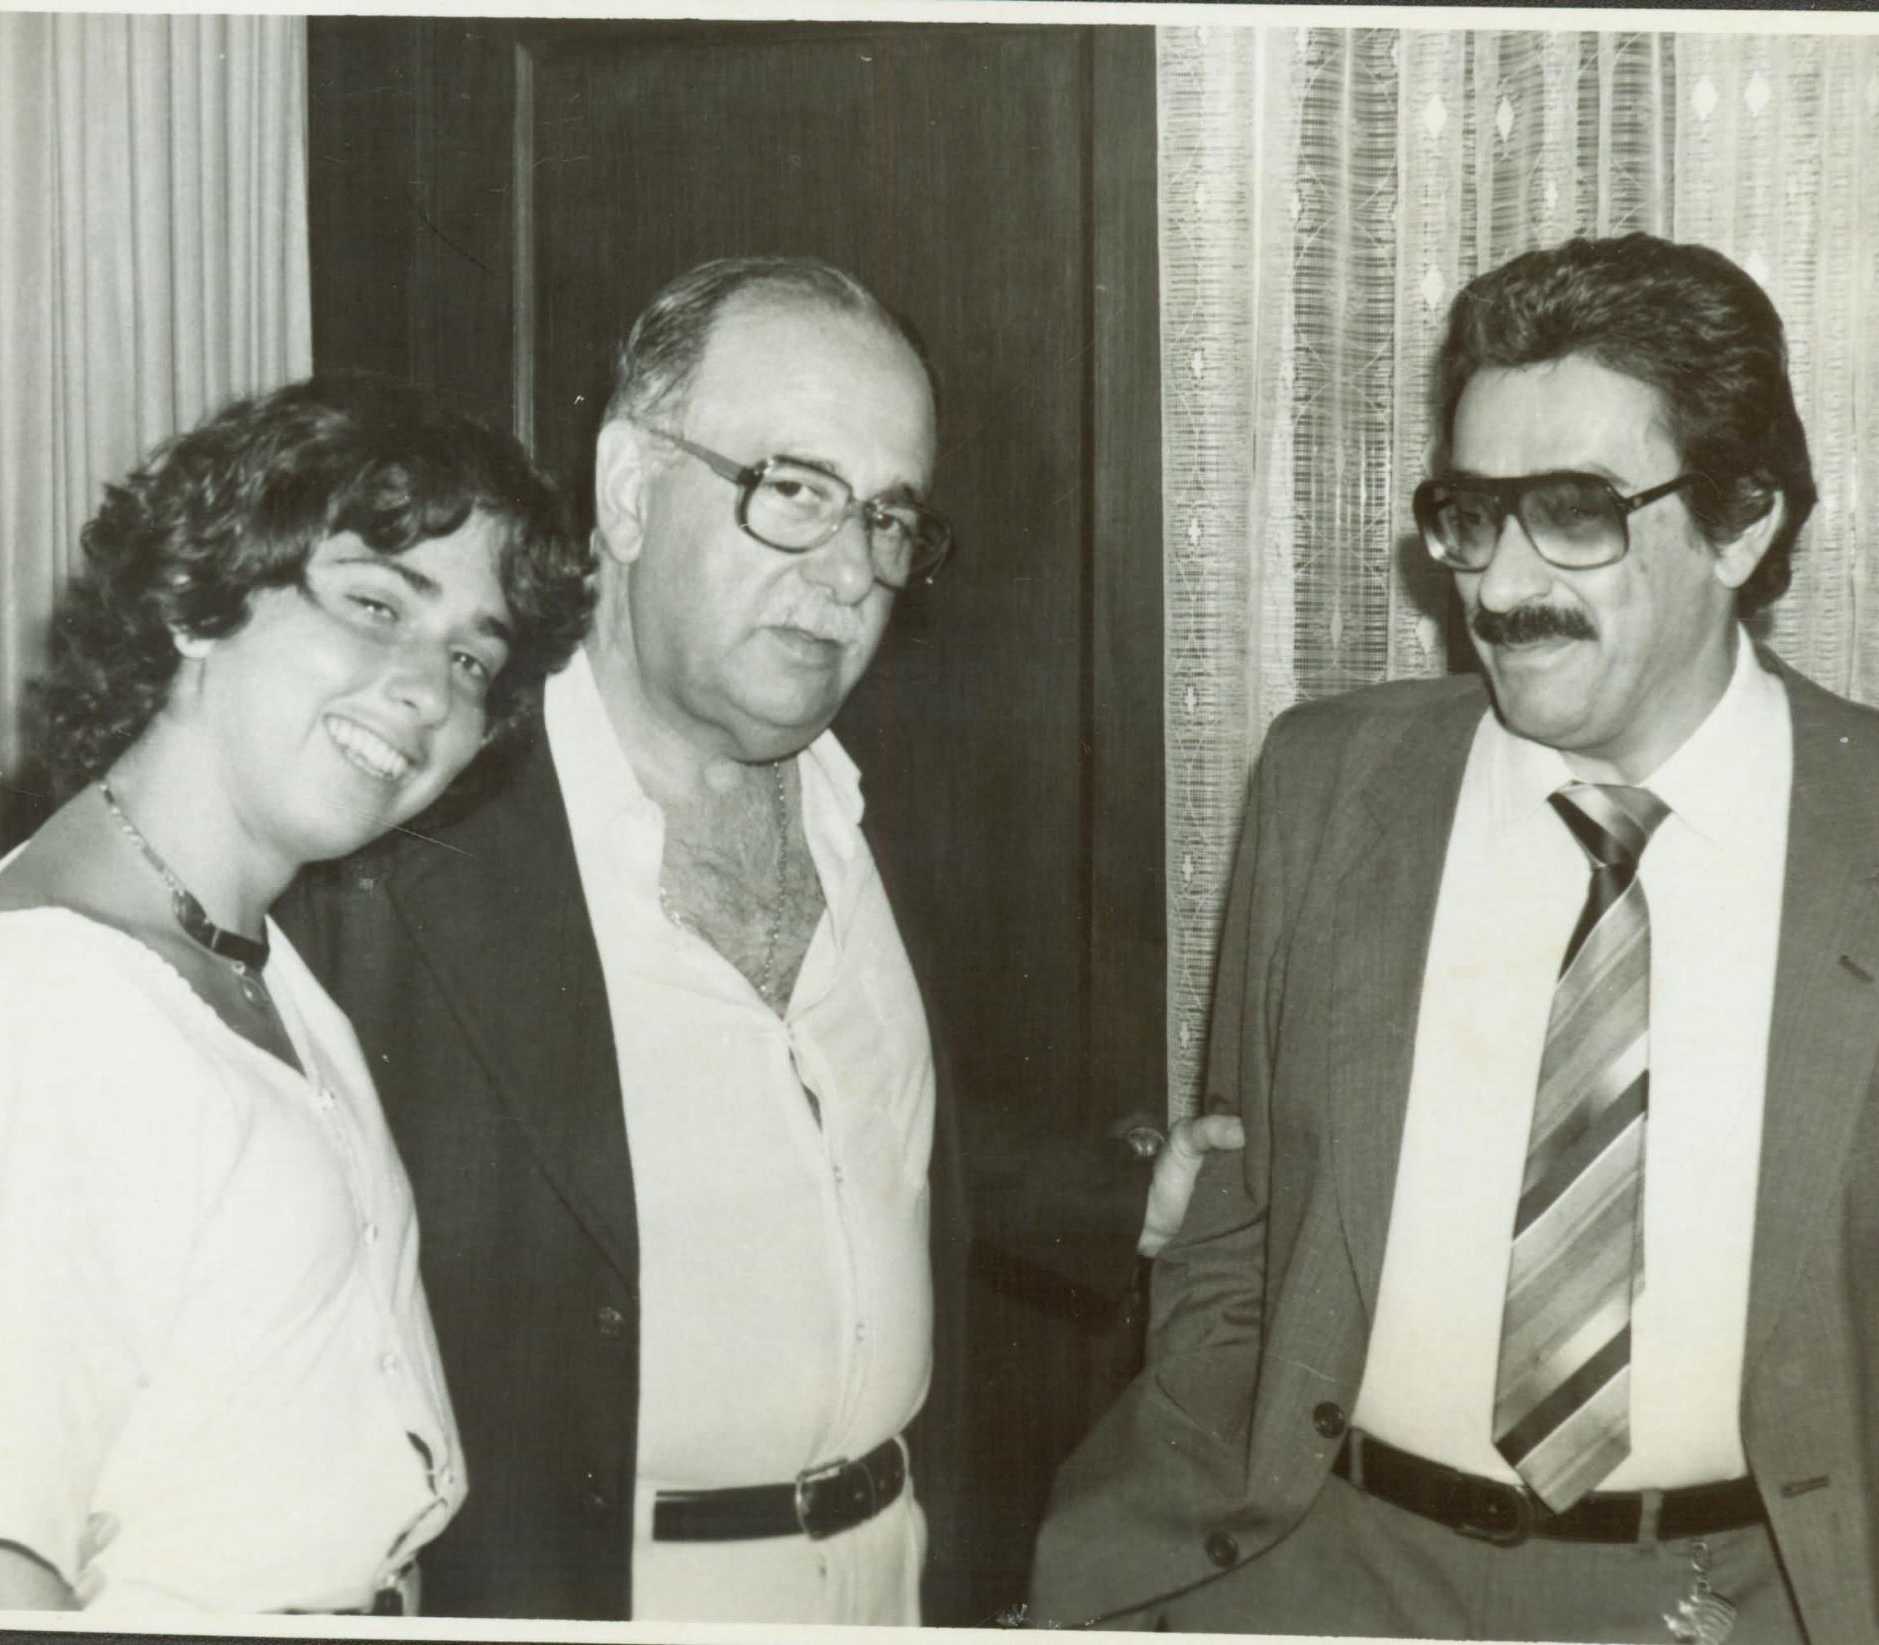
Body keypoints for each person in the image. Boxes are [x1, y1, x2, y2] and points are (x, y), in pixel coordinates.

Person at [1030, 234, 1879, 1645]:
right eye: (1471, 514)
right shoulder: (1325, 782)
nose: (1497, 584)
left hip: (1735, 1598)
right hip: (1325, 1569)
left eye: (1570, 514)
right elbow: (1237, 1213)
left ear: (1739, 524)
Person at [277, 255, 1235, 1626]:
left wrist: (1121, 1198)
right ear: (627, 489)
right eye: (793, 490)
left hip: (899, 1580)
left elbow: (857, 1131)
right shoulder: (405, 848)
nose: (849, 575)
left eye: (888, 517)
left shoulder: (882, 807)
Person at [0, 376, 597, 1613]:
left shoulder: (250, 960)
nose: (430, 691)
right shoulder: (44, 1005)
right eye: (376, 604)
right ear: (202, 601)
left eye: (473, 657)